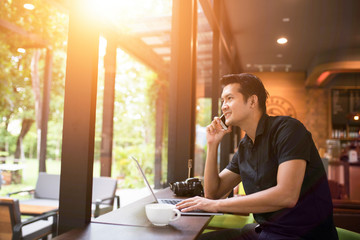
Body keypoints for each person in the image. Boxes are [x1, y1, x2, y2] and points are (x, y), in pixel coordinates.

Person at [176, 73, 338, 239]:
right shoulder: (245, 146)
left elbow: (287, 195)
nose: (224, 106)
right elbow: (213, 193)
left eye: (230, 98)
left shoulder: (288, 130)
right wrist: (212, 144)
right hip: (265, 232)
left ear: (252, 101)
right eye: (223, 101)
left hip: (300, 235)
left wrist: (217, 205)